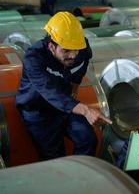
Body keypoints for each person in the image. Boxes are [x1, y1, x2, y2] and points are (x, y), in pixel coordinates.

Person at [16, 12, 112, 160]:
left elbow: (81, 66)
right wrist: (85, 111)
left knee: (88, 139)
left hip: (65, 107)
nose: (73, 55)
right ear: (51, 46)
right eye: (66, 50)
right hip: (38, 112)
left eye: (75, 49)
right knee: (55, 156)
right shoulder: (34, 58)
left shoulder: (81, 49)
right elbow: (49, 91)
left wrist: (74, 87)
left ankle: (79, 177)